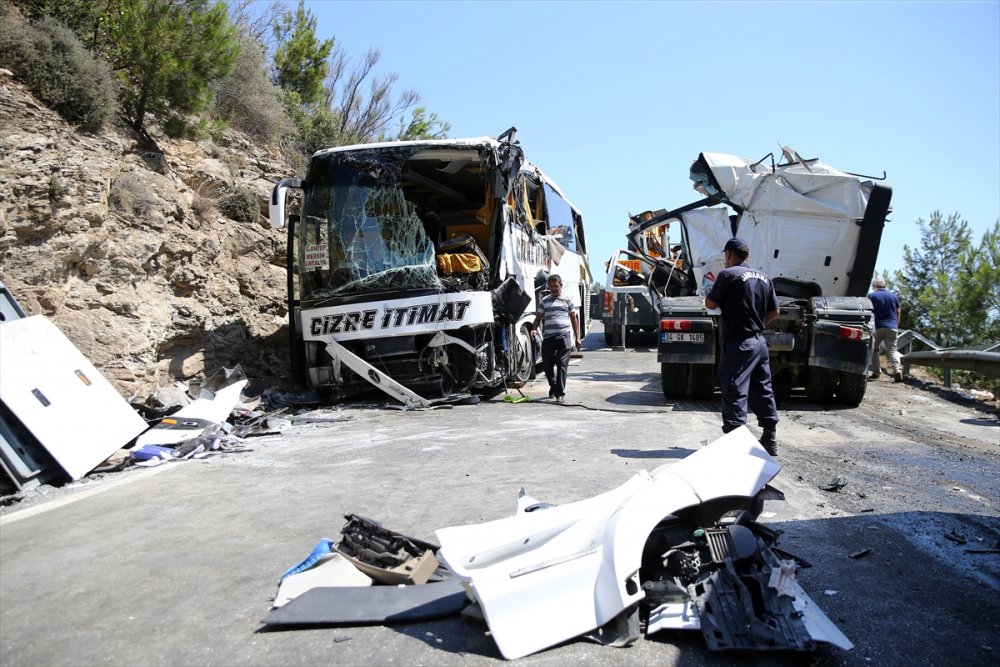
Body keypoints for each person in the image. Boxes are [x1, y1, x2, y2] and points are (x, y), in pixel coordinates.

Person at [704, 238, 780, 455]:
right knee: (763, 388)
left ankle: (735, 443)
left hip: (739, 343)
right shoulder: (765, 278)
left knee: (734, 387)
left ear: (728, 255)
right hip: (759, 342)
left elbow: (710, 304)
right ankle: (769, 437)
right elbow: (775, 312)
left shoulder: (727, 275)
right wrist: (756, 325)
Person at [531, 274, 581, 403]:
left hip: (564, 337)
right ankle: (553, 386)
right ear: (548, 286)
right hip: (548, 337)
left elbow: (573, 319)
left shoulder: (568, 300)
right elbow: (538, 317)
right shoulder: (545, 301)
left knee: (561, 364)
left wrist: (578, 337)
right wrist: (533, 328)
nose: (554, 288)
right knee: (547, 365)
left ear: (561, 285)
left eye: (556, 286)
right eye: (551, 286)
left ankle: (560, 394)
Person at [867, 277, 903, 382]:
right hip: (892, 327)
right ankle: (897, 370)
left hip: (877, 327)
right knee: (892, 350)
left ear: (874, 286)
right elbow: (898, 311)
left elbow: (868, 310)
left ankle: (876, 372)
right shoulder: (893, 296)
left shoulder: (871, 296)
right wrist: (896, 324)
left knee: (874, 349)